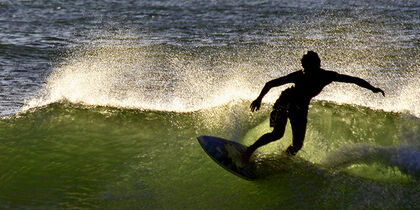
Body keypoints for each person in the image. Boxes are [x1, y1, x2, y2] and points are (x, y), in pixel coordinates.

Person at [243, 51, 385, 161]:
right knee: (277, 134)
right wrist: (259, 99)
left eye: (308, 67)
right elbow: (271, 83)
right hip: (285, 102)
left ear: (317, 65)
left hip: (301, 108)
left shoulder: (327, 76)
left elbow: (353, 80)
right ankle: (250, 150)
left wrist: (372, 88)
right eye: (304, 67)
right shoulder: (298, 75)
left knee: (297, 145)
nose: (305, 70)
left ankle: (283, 159)